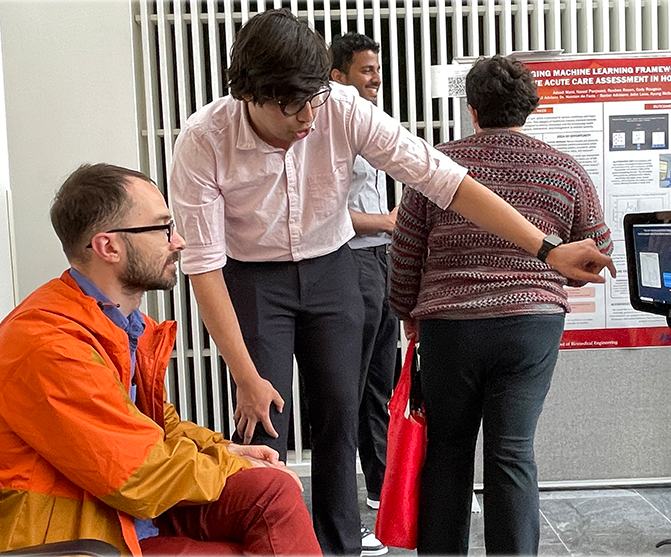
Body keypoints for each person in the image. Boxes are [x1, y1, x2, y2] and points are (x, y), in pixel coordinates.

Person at [168, 10, 614, 554]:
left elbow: (444, 180)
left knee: (341, 412)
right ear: (252, 95)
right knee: (263, 418)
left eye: (315, 99)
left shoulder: (342, 109)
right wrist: (244, 374)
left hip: (331, 266)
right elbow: (204, 266)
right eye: (292, 106)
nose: (308, 117)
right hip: (252, 277)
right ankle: (271, 545)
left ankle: (338, 545)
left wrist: (546, 248)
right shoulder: (203, 138)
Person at [0, 164, 321, 556]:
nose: (178, 242)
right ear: (108, 246)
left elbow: (156, 427)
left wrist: (227, 451)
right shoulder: (47, 342)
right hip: (82, 535)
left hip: (122, 509)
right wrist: (234, 467)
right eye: (162, 229)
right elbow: (137, 474)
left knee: (273, 490)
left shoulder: (121, 324)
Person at [389, 55, 612, 555]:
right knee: (512, 452)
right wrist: (555, 281)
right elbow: (598, 247)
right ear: (530, 108)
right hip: (530, 327)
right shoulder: (563, 169)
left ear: (472, 109)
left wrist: (407, 311)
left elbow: (405, 248)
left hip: (451, 326)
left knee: (447, 450)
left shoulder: (438, 167)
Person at [329, 31, 395, 557]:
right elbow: (328, 212)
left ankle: (383, 493)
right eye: (366, 70)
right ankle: (344, 518)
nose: (376, 78)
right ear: (338, 77)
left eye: (377, 69)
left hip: (380, 259)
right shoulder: (330, 132)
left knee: (381, 383)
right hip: (351, 259)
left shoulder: (370, 126)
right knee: (348, 388)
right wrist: (388, 221)